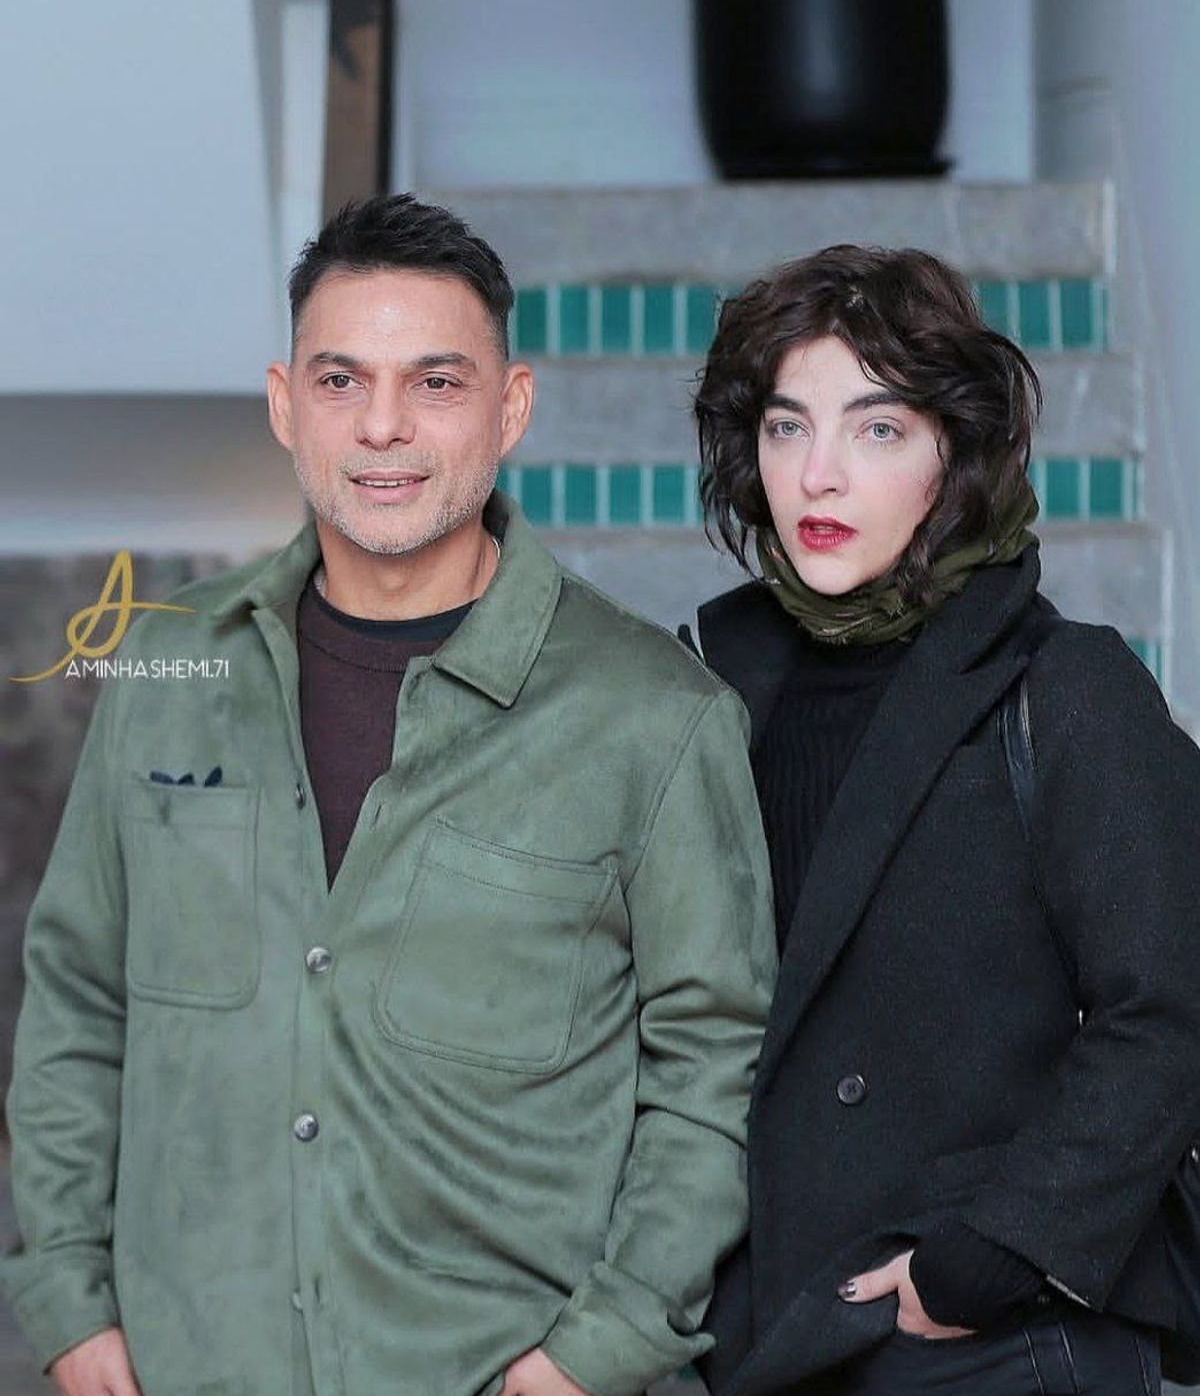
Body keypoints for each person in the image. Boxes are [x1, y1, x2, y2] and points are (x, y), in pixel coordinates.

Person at [1, 194, 776, 1396]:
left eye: (436, 382)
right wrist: (64, 1295)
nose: (382, 427)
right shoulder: (166, 669)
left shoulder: (654, 717)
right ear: (284, 404)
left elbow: (713, 1067)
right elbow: (77, 999)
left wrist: (603, 1348)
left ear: (511, 406)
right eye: (341, 380)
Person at [686, 245, 1200, 1396]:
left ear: (952, 455)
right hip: (779, 1330)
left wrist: (997, 1250)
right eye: (785, 426)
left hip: (991, 1337)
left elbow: (1171, 1005)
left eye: (877, 429)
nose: (819, 475)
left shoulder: (1063, 686)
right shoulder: (711, 687)